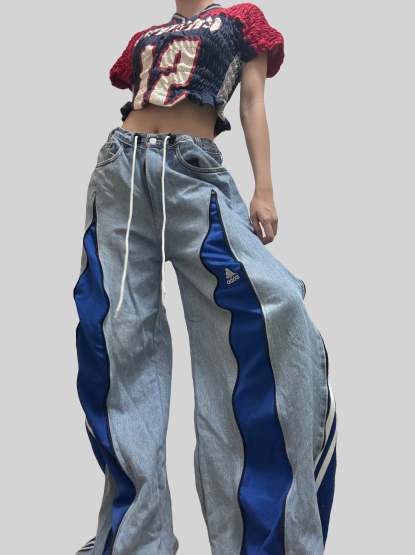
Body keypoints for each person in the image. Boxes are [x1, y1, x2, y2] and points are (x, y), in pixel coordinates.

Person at [74, 2, 337, 554]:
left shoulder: (241, 19)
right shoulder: (147, 34)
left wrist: (264, 189)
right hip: (120, 171)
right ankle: (134, 541)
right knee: (116, 345)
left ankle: (264, 541)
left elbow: (253, 101)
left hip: (193, 173)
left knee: (268, 317)